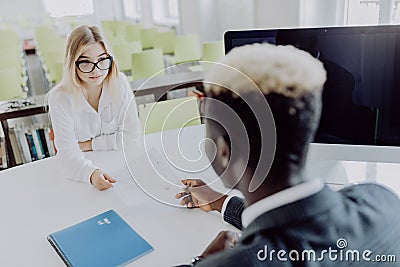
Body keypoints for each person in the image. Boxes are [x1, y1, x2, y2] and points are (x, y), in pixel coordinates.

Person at [175, 43, 400, 266]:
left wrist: (201, 263)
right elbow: (305, 224)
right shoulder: (384, 202)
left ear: (224, 152)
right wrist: (222, 203)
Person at [48, 25, 142, 191]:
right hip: (82, 176)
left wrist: (88, 144)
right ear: (73, 64)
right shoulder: (60, 98)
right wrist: (91, 174)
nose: (96, 70)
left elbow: (131, 138)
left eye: (102, 60)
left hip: (123, 167)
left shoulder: (120, 82)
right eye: (85, 63)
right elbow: (67, 155)